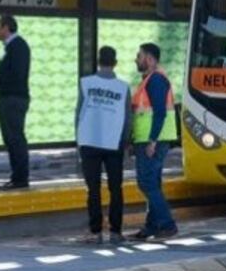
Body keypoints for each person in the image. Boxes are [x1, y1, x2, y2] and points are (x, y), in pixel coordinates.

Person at [75, 46, 131, 244]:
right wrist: (125, 143)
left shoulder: (86, 83)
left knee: (94, 189)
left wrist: (78, 142)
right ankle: (116, 231)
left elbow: (78, 114)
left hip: (89, 141)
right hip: (114, 142)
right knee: (116, 188)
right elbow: (127, 118)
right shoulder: (123, 87)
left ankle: (95, 231)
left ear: (98, 61)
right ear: (114, 63)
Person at [130, 42, 178, 240]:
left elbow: (159, 113)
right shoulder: (150, 79)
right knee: (153, 183)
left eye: (139, 56)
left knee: (146, 182)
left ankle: (167, 224)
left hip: (152, 141)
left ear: (149, 59)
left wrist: (152, 140)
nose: (136, 59)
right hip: (150, 139)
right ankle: (152, 226)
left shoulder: (156, 80)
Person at [0, 14, 31, 190]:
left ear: (6, 27)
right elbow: (12, 73)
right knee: (11, 138)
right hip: (9, 97)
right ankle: (17, 176)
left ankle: (20, 178)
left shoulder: (18, 46)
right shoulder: (11, 47)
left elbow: (17, 75)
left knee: (15, 137)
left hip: (13, 99)